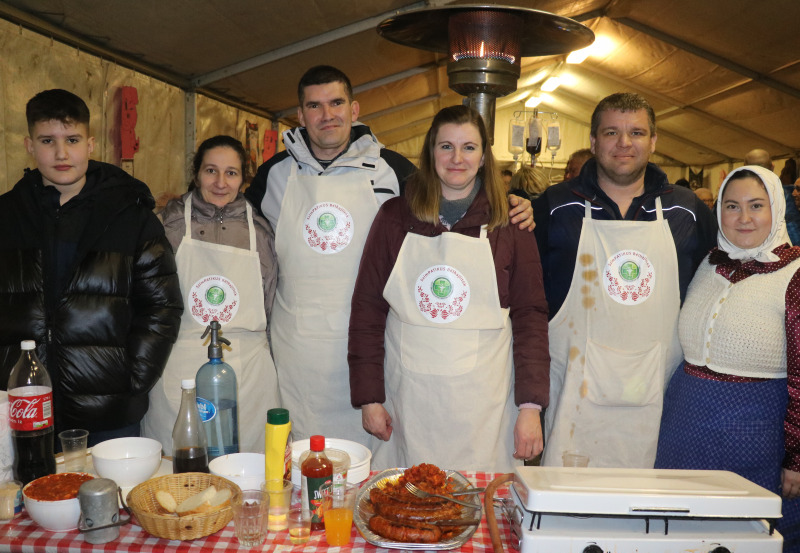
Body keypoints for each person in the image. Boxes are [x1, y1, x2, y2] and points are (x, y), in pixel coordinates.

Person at [245, 65, 534, 446]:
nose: (327, 115)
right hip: (299, 354)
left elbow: (445, 203)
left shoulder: (393, 170)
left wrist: (513, 204)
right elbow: (237, 235)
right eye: (314, 106)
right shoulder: (273, 176)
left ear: (355, 109)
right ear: (300, 116)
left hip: (377, 349)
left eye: (336, 103)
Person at [348, 105, 549, 471]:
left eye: (469, 147)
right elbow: (366, 310)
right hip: (409, 404)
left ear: (484, 157)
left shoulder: (510, 222)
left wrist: (531, 407)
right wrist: (369, 398)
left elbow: (530, 317)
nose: (457, 158)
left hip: (484, 410)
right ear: (430, 152)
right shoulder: (394, 216)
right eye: (446, 147)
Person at [532, 92, 717, 468]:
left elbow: (714, 283)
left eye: (636, 133)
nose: (624, 143)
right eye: (612, 132)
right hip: (572, 387)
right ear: (593, 140)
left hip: (658, 384)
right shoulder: (554, 205)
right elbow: (526, 297)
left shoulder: (686, 208)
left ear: (653, 142)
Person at [0, 89, 182, 446]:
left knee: (109, 499)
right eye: (47, 140)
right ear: (29, 145)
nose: (61, 153)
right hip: (23, 405)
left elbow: (162, 304)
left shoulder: (131, 217)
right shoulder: (6, 216)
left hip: (109, 411)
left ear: (91, 144)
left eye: (72, 139)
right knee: (30, 500)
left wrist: (132, 378)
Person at [655, 165, 800, 553]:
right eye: (732, 206)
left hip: (756, 436)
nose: (744, 218)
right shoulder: (708, 263)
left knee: (745, 551)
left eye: (757, 206)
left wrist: (797, 458)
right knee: (679, 541)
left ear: (777, 210)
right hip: (683, 428)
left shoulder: (795, 275)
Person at [142, 135, 279, 455]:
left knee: (247, 471)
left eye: (231, 173)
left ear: (243, 178)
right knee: (181, 472)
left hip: (248, 371)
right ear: (195, 173)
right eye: (211, 171)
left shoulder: (259, 230)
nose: (220, 182)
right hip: (179, 364)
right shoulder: (167, 224)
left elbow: (269, 301)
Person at [745, 148, 800, 245]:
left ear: (744, 167)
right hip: (778, 255)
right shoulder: (783, 196)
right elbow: (793, 233)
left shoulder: (729, 195)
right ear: (772, 167)